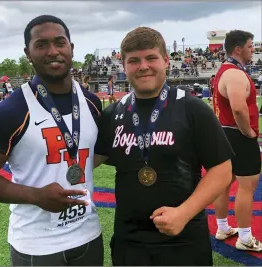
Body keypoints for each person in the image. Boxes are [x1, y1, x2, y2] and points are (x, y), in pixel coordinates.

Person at [0, 15, 104, 266]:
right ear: (28, 53)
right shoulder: (11, 111)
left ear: (71, 48)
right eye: (41, 45)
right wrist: (35, 195)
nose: (53, 51)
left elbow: (96, 154)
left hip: (88, 236)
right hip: (37, 245)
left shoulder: (91, 103)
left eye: (60, 42)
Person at [94, 26, 234, 266]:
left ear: (166, 61)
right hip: (130, 240)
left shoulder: (193, 109)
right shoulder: (112, 114)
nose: (143, 66)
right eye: (134, 60)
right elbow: (88, 160)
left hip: (184, 237)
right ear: (124, 66)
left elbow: (222, 171)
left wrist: (183, 213)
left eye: (151, 58)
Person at [212, 30, 262, 252]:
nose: (254, 49)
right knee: (247, 186)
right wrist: (249, 133)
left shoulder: (226, 70)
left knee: (224, 183)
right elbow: (239, 109)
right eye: (251, 45)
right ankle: (245, 236)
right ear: (238, 49)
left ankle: (223, 227)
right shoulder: (234, 73)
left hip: (224, 133)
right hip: (238, 135)